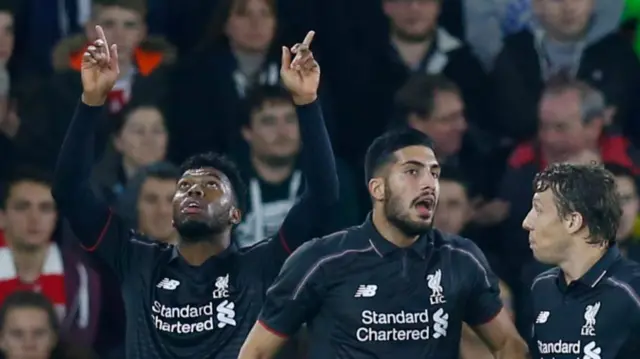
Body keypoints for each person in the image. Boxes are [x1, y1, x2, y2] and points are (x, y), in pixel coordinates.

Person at [51, 26, 339, 359]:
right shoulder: (136, 259)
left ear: (236, 213)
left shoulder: (261, 265)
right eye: (185, 186)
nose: (194, 192)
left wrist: (306, 102)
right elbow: (69, 190)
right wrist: (91, 101)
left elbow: (322, 196)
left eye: (211, 186)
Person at [239, 129, 528, 359]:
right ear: (377, 189)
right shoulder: (321, 260)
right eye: (413, 172)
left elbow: (510, 346)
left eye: (434, 173)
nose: (429, 183)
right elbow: (256, 352)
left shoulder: (461, 259)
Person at [524, 163, 640, 359]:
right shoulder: (541, 287)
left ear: (573, 221)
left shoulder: (633, 290)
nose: (527, 222)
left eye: (538, 210)